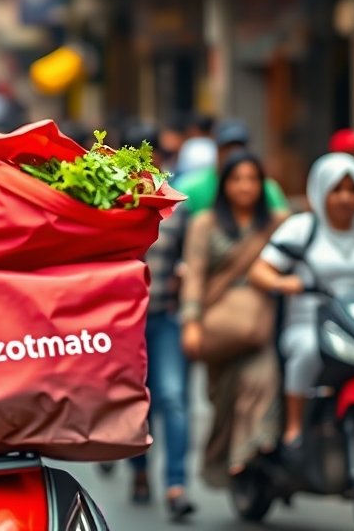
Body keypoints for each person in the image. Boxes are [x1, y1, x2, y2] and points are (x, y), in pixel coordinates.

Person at [180, 150, 284, 487]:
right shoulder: (204, 223)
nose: (245, 187)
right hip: (218, 323)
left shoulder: (278, 223)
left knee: (263, 376)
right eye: (237, 179)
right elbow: (194, 274)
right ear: (224, 185)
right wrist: (192, 321)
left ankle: (249, 450)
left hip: (261, 323)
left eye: (253, 179)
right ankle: (223, 459)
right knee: (223, 394)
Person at [249, 153, 354, 457]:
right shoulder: (302, 228)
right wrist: (283, 283)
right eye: (337, 189)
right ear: (320, 191)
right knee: (308, 350)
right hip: (310, 323)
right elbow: (260, 270)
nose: (346, 198)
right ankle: (294, 427)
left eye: (353, 190)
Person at [120, 123, 196, 520]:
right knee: (134, 402)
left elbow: (191, 261)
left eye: (151, 159)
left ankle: (176, 485)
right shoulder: (107, 206)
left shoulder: (178, 209)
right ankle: (138, 469)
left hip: (165, 316)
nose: (144, 168)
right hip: (122, 325)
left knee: (172, 397)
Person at [173, 120, 288, 216]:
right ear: (217, 151)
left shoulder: (266, 188)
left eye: (239, 148)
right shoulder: (189, 188)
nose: (245, 187)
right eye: (227, 149)